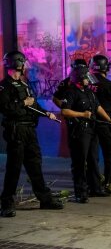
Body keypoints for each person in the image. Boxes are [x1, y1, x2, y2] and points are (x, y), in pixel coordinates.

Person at [0, 51, 64, 217]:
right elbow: (6, 109)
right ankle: (6, 204)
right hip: (17, 131)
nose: (25, 66)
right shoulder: (4, 86)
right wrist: (23, 102)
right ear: (17, 63)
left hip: (29, 130)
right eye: (23, 62)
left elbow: (33, 105)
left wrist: (45, 113)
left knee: (35, 165)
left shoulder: (24, 84)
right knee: (13, 168)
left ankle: (45, 199)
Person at [61, 61, 111, 203]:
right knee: (80, 162)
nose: (89, 79)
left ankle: (96, 188)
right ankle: (80, 192)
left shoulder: (89, 92)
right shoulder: (71, 92)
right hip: (80, 131)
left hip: (92, 129)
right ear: (80, 77)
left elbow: (98, 107)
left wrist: (109, 119)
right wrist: (82, 115)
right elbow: (65, 111)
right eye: (86, 76)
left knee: (93, 160)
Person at [89, 54, 111, 194]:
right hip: (105, 122)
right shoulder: (109, 85)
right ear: (106, 68)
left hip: (90, 121)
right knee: (110, 151)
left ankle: (94, 184)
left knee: (92, 155)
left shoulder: (88, 83)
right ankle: (110, 183)